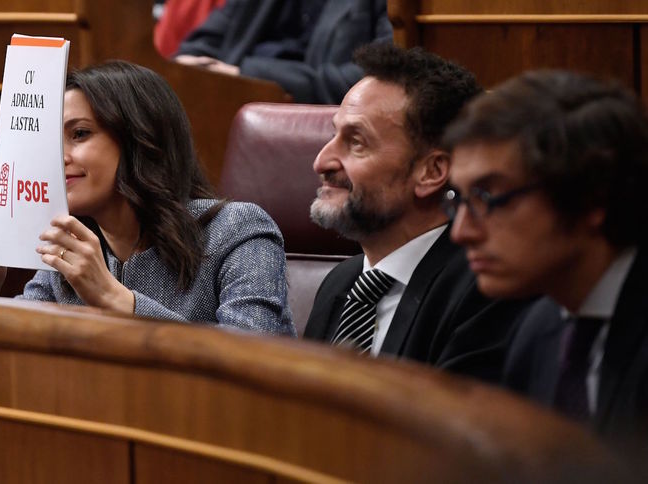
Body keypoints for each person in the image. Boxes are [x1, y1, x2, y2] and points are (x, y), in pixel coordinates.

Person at [0, 60, 295, 336]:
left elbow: (251, 360)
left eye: (80, 134)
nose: (56, 157)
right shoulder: (66, 250)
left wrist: (116, 299)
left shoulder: (237, 230)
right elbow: (17, 359)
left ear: (140, 140)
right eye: (52, 140)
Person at [443, 70, 648, 455]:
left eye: (489, 198)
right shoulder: (538, 331)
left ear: (591, 198)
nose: (462, 233)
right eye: (459, 201)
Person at [303, 43, 529, 384]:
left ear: (431, 171)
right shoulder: (340, 283)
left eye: (357, 142)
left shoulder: (482, 290)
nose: (322, 161)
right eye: (333, 135)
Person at [174, 0, 393, 104]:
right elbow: (201, 45)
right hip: (224, 106)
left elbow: (383, 75)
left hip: (314, 120)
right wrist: (186, 67)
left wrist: (246, 74)